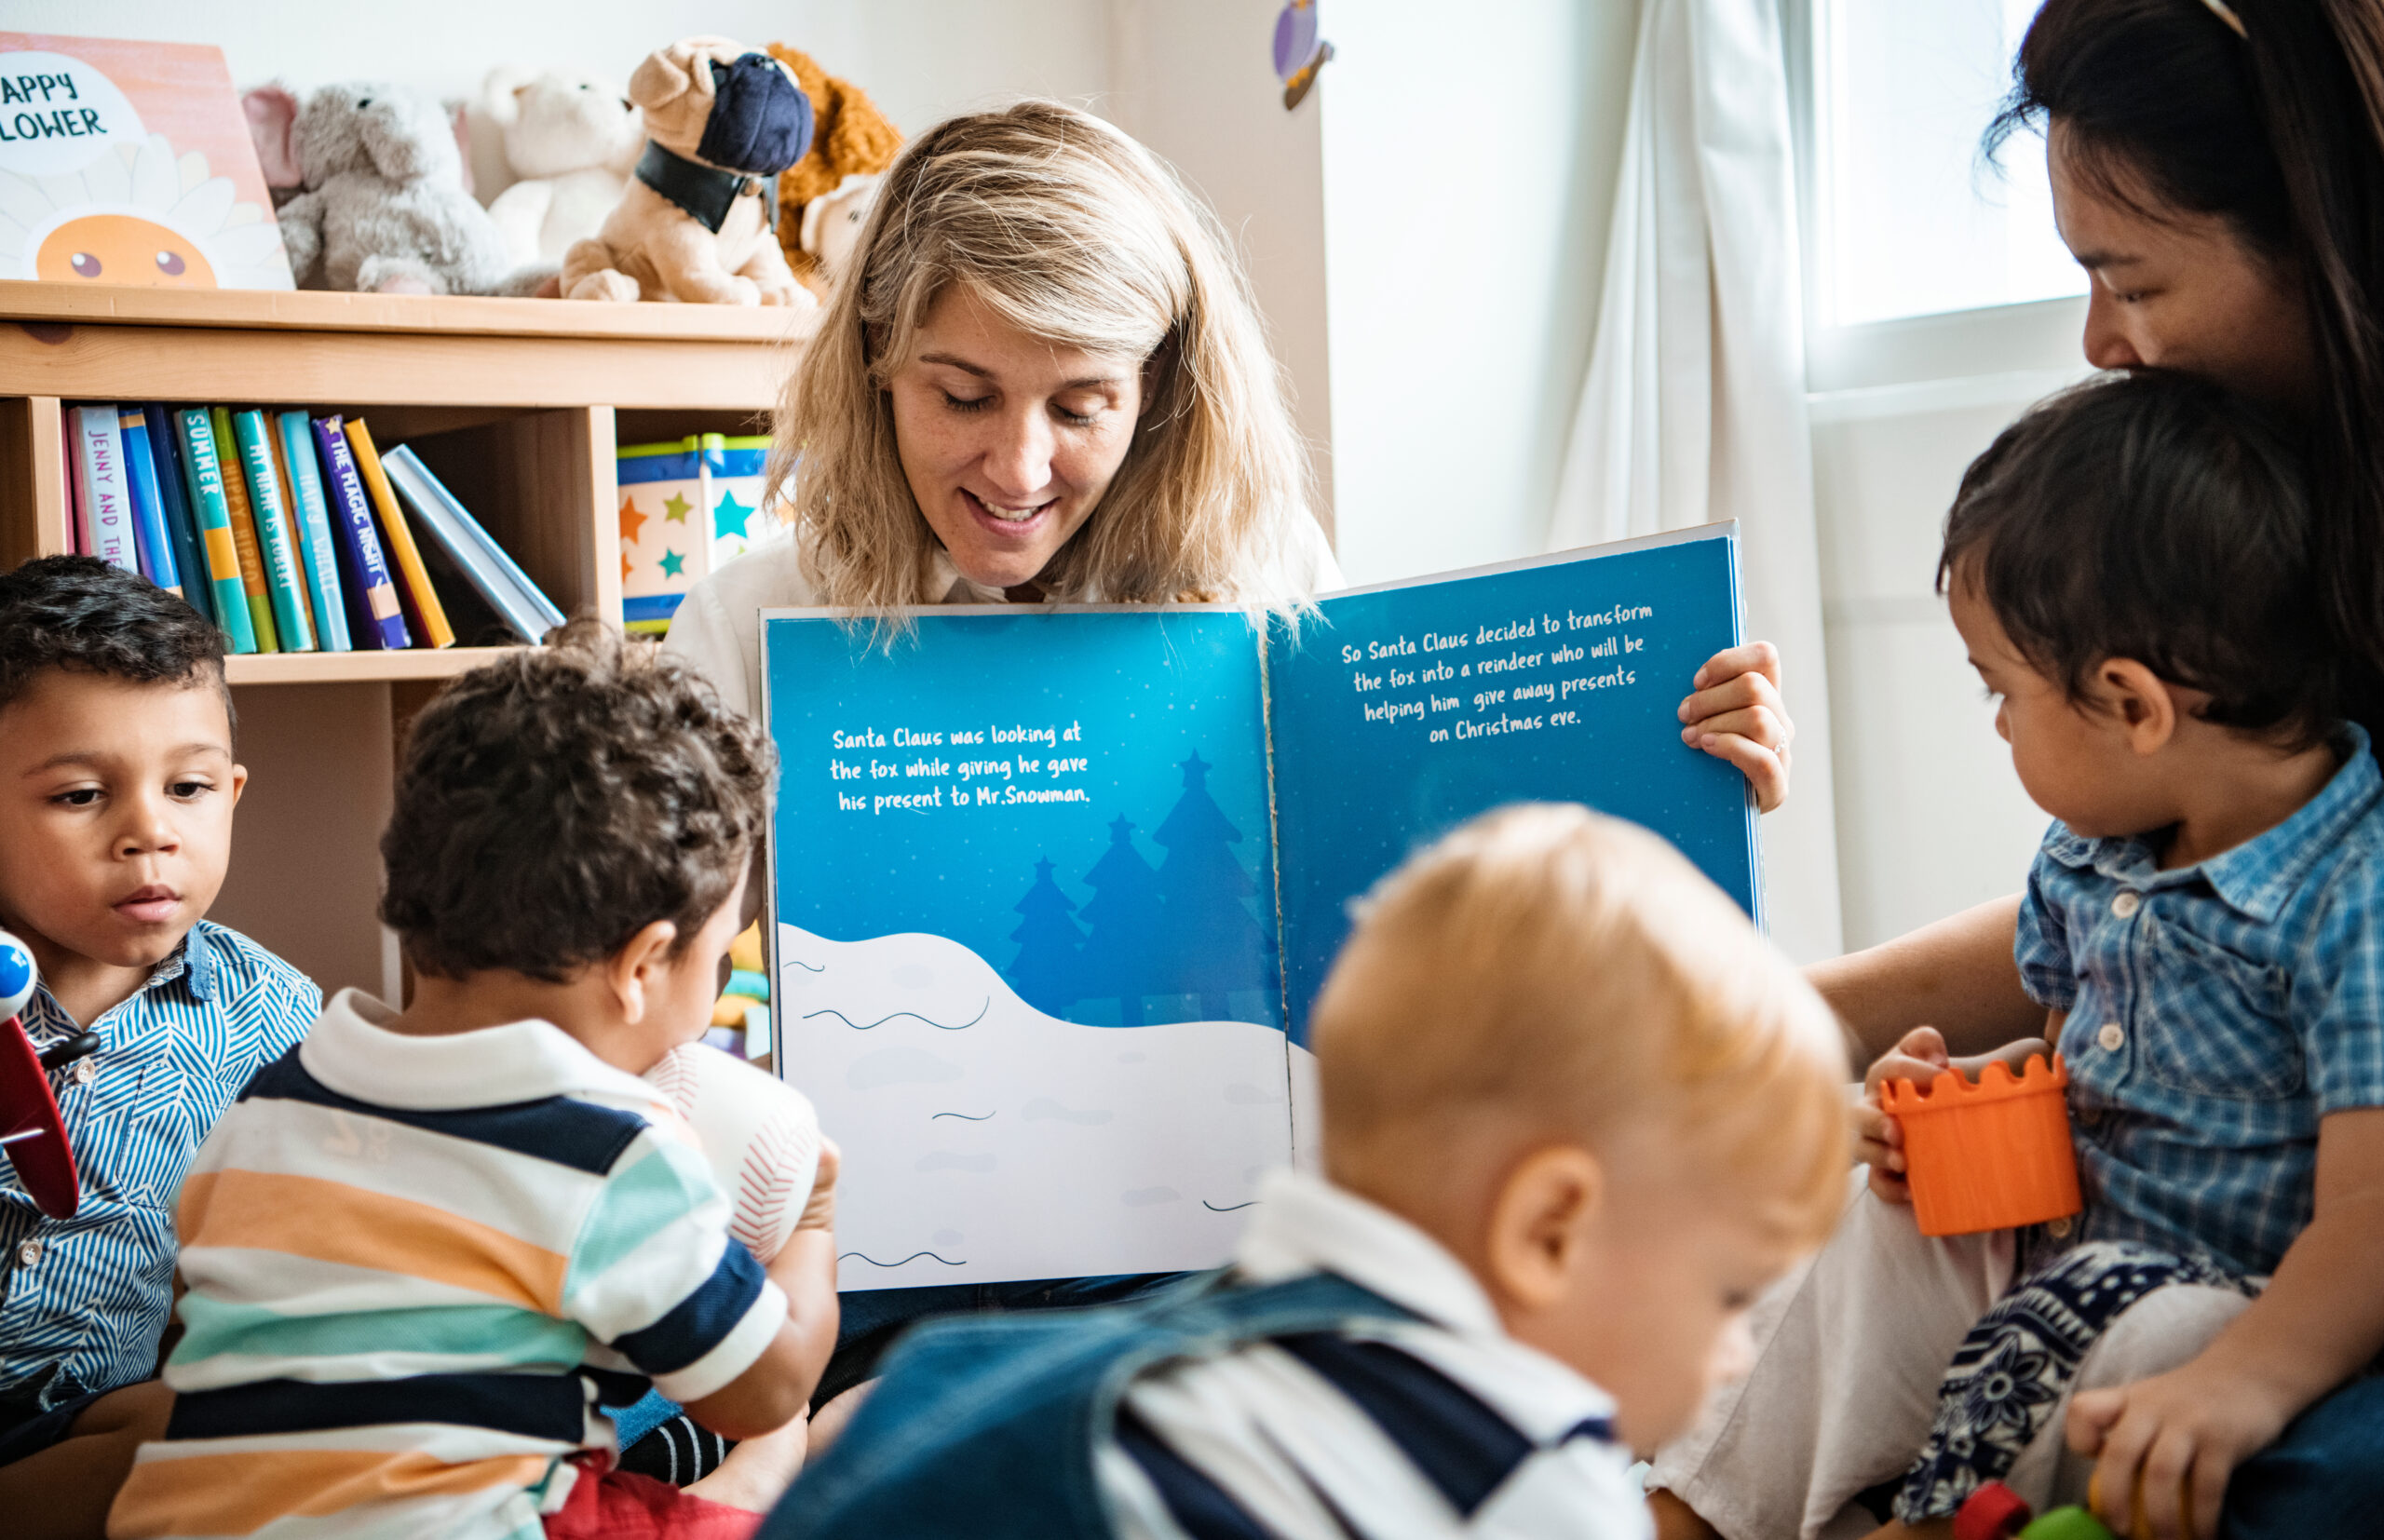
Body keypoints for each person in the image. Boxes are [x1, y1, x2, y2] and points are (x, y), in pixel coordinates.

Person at [661, 96, 1800, 1438]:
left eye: (1082, 404)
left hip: (1229, 1251)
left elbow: (1427, 876)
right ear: (873, 362)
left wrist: (1668, 765)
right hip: (908, 1277)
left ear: (1159, 389)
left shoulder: (1260, 577)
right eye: (961, 394)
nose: (1017, 465)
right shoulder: (756, 619)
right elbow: (646, 980)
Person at [1800, 4, 2384, 1527]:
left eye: (2130, 278)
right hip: (2135, 1239)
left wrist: (2257, 1357)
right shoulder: (2266, 511)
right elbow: (2152, 925)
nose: (2100, 341)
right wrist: (1822, 1026)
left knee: (2255, 1450)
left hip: (2301, 1246)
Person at [1651, 371, 2384, 1540]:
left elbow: (2370, 1209)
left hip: (2218, 1298)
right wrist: (1952, 1116)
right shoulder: (2090, 852)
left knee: (2165, 1342)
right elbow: (2056, 1081)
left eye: (2001, 691)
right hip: (2051, 1242)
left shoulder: (2352, 892)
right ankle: (1696, 1504)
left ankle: (1949, 1519)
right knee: (1871, 1224)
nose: (1995, 724)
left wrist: (2247, 1377)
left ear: (2131, 705)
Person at [758, 803, 1849, 1539]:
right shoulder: (1523, 1477)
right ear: (1549, 1228)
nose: (1729, 1360)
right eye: (1730, 1297)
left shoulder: (1021, 1374)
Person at [103, 624, 840, 1540]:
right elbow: (763, 1384)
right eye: (717, 958)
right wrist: (807, 1224)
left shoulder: (265, 1103)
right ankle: (774, 1480)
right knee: (804, 1443)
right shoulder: (613, 1149)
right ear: (643, 964)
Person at [0, 557, 320, 1540]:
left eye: (186, 788)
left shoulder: (266, 1010)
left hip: (88, 1410)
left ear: (232, 790)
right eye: (81, 796)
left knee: (252, 1435)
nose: (150, 834)